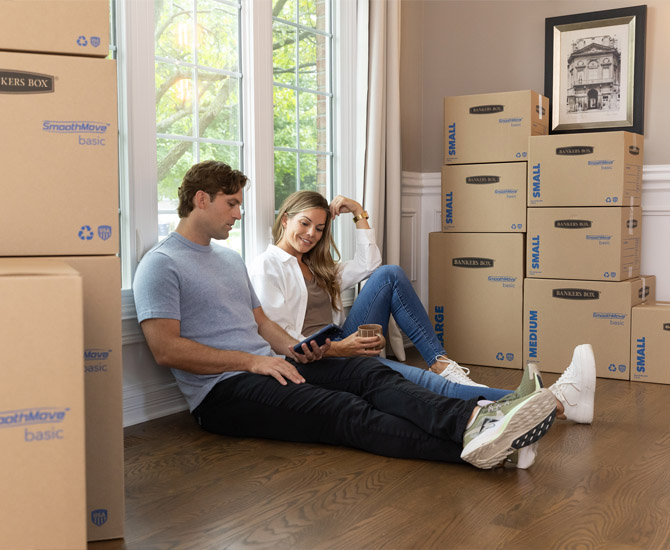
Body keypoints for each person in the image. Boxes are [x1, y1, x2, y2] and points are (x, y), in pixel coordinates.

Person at [132, 160, 558, 470]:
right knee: (342, 409)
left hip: (271, 365)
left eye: (240, 204)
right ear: (201, 200)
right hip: (221, 394)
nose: (239, 214)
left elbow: (262, 324)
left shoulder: (227, 260)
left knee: (370, 375)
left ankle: (475, 420)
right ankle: (484, 448)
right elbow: (167, 350)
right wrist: (253, 360)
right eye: (231, 204)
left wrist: (302, 351)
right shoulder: (162, 263)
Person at [248, 190, 596, 424]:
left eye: (320, 229)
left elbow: (371, 262)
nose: (311, 234)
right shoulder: (267, 265)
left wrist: (358, 211)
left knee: (388, 274)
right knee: (430, 388)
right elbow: (285, 343)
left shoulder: (318, 266)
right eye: (304, 224)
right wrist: (341, 348)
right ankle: (557, 401)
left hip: (342, 346)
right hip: (317, 362)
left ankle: (441, 363)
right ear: (285, 220)